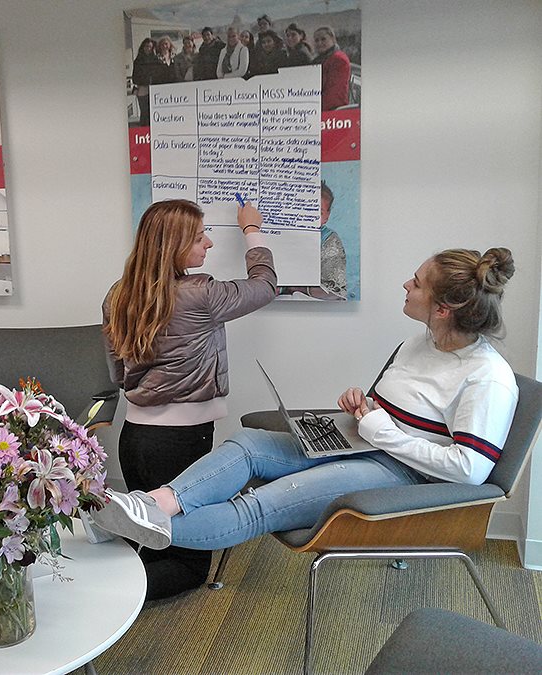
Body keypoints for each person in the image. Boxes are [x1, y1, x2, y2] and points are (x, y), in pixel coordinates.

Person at [94, 248, 519, 557]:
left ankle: (128, 528)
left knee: (258, 505)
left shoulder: (487, 377)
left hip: (406, 480)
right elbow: (400, 412)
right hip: (364, 443)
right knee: (247, 445)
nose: (407, 285)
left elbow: (471, 470)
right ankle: (150, 506)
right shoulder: (421, 342)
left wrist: (380, 429)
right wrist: (364, 405)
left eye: (418, 283)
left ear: (443, 309)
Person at [101, 199, 277, 600]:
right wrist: (252, 230)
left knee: (150, 532)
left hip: (135, 438)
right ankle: (109, 599)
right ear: (172, 245)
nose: (210, 243)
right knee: (188, 562)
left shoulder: (118, 295)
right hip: (182, 442)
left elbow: (117, 372)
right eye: (199, 237)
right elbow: (265, 285)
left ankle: (109, 586)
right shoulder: (201, 294)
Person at [281, 181, 347, 300]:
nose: (310, 217)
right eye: (306, 210)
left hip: (316, 301)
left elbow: (336, 290)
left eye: (318, 212)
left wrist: (298, 288)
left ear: (327, 216)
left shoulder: (329, 240)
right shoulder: (284, 235)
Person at [132, 38, 171, 127]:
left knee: (154, 113)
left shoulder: (156, 60)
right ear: (143, 47)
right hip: (143, 90)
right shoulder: (138, 61)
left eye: (150, 47)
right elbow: (135, 77)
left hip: (155, 90)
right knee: (144, 113)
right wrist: (145, 81)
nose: (148, 48)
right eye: (146, 46)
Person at [312, 26, 351, 110]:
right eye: (316, 40)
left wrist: (314, 109)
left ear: (333, 39)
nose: (319, 43)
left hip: (332, 111)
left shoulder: (338, 59)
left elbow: (333, 93)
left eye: (323, 39)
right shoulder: (319, 60)